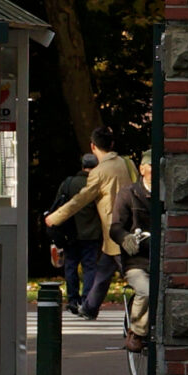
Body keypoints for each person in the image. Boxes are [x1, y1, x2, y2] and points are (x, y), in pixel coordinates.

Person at [44, 127, 135, 319]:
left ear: (93, 146)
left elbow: (80, 200)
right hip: (131, 226)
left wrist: (56, 217)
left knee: (133, 275)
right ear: (111, 144)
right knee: (103, 270)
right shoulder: (127, 163)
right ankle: (90, 307)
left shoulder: (98, 173)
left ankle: (147, 307)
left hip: (115, 231)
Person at [45, 154, 101, 311]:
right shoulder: (96, 183)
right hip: (92, 232)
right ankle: (87, 301)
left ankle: (72, 300)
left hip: (71, 231)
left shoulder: (69, 183)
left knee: (71, 265)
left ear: (82, 165)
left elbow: (59, 205)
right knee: (90, 266)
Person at [117, 157, 155, 354]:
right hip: (137, 261)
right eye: (150, 165)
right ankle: (136, 332)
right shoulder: (128, 193)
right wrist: (126, 239)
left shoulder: (167, 194)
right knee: (146, 290)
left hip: (163, 258)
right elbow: (115, 227)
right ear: (141, 169)